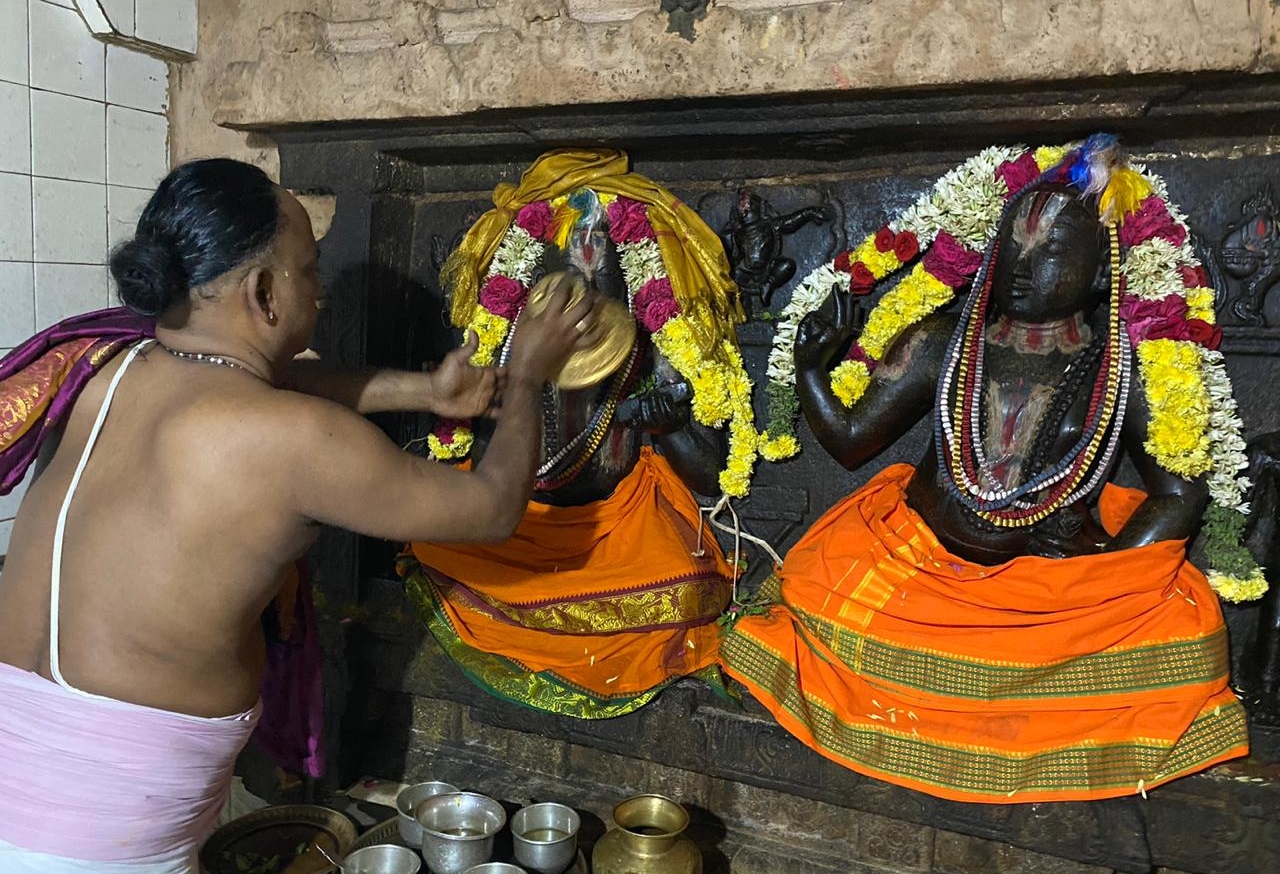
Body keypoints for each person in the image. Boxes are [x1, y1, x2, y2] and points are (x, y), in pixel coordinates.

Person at [0, 158, 603, 873]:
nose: (317, 289)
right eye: (309, 271)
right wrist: (529, 370)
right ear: (262, 292)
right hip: (105, 842)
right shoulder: (293, 440)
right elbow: (493, 507)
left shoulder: (105, 369)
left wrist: (423, 391)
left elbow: (258, 376)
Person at [720, 142, 1250, 803]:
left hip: (1046, 593)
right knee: (811, 591)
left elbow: (1178, 492)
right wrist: (808, 370)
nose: (1023, 269)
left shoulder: (1128, 367)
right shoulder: (942, 340)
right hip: (917, 561)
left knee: (1186, 635)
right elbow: (853, 441)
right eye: (1014, 250)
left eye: (1051, 252)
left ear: (1099, 272)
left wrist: (1106, 566)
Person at [401, 150, 754, 717]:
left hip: (622, 531)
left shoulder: (653, 344)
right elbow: (487, 472)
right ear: (531, 281)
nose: (586, 289)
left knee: (686, 584)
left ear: (633, 280)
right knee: (437, 551)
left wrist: (658, 421)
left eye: (602, 275)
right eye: (567, 274)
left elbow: (711, 475)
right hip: (520, 527)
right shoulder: (508, 345)